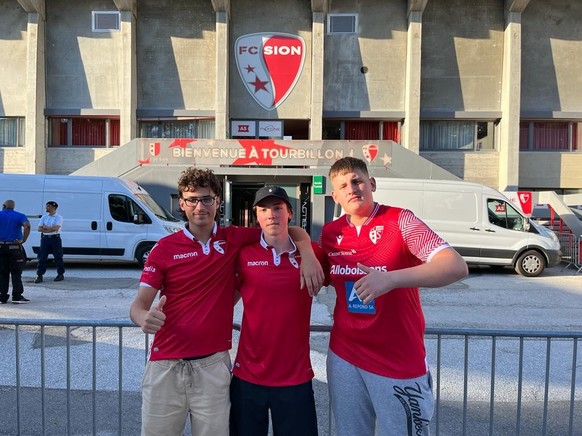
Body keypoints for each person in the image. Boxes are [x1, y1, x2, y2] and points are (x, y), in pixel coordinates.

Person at [129, 168, 323, 436]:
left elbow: (283, 228)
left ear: (217, 202)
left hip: (213, 366)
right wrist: (144, 318)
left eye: (207, 199)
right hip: (165, 365)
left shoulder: (234, 239)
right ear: (182, 203)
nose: (200, 206)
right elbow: (138, 306)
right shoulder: (164, 248)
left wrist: (307, 251)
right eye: (193, 199)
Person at [319, 157, 468, 436]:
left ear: (371, 184)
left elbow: (455, 266)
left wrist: (390, 279)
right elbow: (315, 272)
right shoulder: (331, 233)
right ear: (335, 196)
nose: (352, 189)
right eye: (343, 185)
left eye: (357, 181)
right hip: (345, 356)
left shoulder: (401, 220)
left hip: (397, 359)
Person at [230, 186, 329, 436]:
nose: (271, 214)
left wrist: (305, 250)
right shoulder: (243, 254)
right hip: (248, 377)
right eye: (264, 209)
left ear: (290, 213)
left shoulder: (313, 255)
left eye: (277, 208)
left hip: (295, 379)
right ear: (257, 217)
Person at [0, 200, 31, 304]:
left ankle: (2, 296)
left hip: (1, 246)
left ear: (4, 206)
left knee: (2, 273)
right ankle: (17, 296)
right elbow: (27, 226)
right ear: (13, 207)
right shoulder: (19, 216)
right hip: (14, 247)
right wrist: (23, 240)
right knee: (16, 273)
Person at [35, 201, 65, 283]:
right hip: (45, 239)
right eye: (46, 206)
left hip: (55, 239)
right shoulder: (44, 217)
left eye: (48, 206)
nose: (46, 207)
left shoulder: (59, 217)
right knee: (42, 257)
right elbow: (39, 229)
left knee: (58, 257)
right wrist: (49, 228)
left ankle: (60, 274)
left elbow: (56, 228)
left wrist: (46, 228)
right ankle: (39, 275)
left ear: (54, 207)